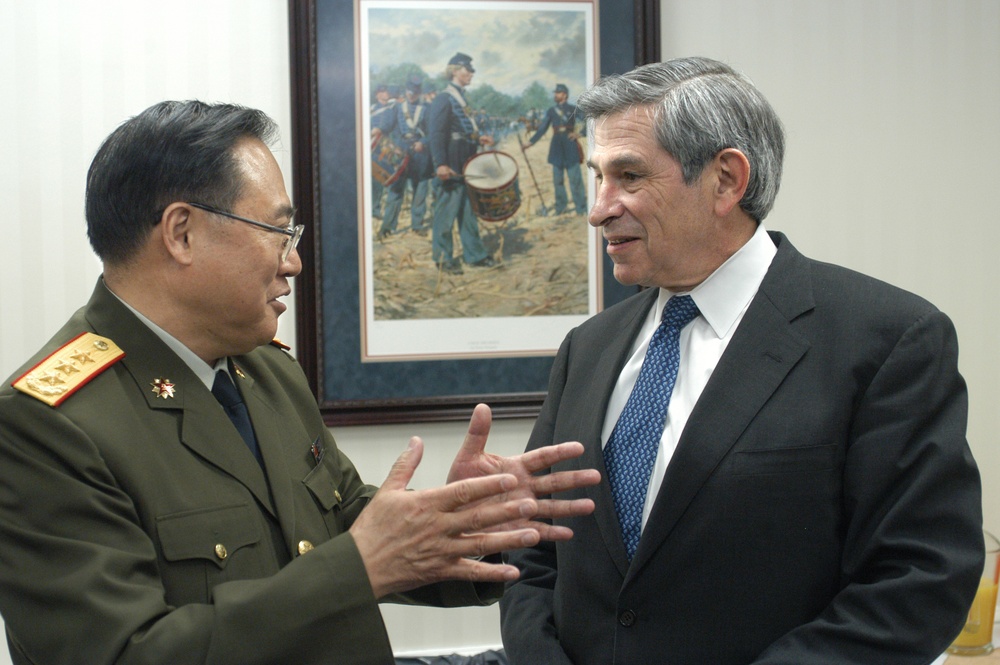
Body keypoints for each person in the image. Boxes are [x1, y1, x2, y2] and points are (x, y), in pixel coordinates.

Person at [0, 100, 601, 665]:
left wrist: (463, 520)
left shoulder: (265, 368)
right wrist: (359, 568)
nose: (293, 260)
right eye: (278, 231)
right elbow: (124, 653)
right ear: (181, 233)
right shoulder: (44, 423)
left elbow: (339, 525)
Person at [499, 57, 983, 664]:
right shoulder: (587, 348)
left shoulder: (887, 340)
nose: (598, 208)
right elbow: (537, 552)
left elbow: (918, 582)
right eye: (596, 177)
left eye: (629, 175)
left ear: (726, 180)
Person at [428, 52, 496, 275]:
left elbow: (464, 128)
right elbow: (436, 134)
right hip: (452, 161)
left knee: (468, 211)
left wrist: (479, 138)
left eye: (472, 71)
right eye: (468, 70)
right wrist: (440, 164)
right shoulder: (443, 98)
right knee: (446, 212)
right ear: (455, 71)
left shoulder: (461, 97)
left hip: (467, 160)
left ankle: (474, 255)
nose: (471, 74)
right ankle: (442, 258)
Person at [376, 74, 433, 239]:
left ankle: (417, 225)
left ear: (419, 92)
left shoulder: (427, 110)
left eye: (414, 92)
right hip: (400, 155)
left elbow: (432, 132)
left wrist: (423, 142)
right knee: (395, 192)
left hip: (420, 156)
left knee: (420, 192)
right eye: (409, 91)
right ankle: (387, 227)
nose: (411, 94)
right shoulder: (397, 108)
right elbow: (387, 127)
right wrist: (379, 131)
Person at [524, 83, 587, 215]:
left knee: (575, 180)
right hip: (556, 147)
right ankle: (561, 208)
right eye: (555, 93)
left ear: (564, 94)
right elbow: (542, 129)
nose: (555, 95)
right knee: (557, 181)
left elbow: (590, 120)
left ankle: (581, 208)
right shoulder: (551, 111)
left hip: (570, 145)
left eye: (557, 93)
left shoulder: (573, 109)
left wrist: (580, 133)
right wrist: (530, 142)